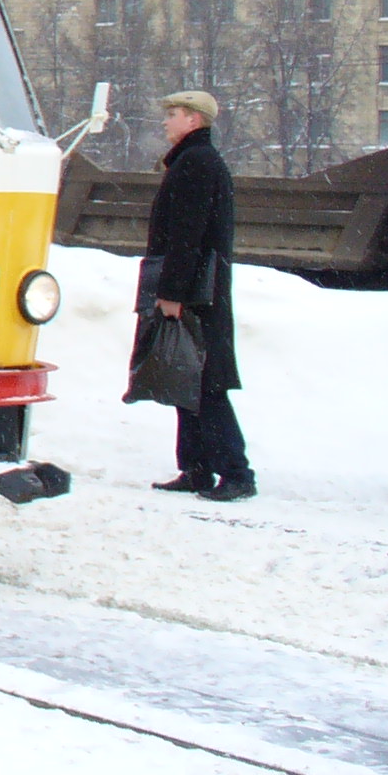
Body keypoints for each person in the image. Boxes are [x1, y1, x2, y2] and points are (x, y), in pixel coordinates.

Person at [144, 88, 251, 501]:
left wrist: (173, 292)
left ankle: (237, 474)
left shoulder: (197, 164)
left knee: (205, 383)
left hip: (196, 294)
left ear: (193, 119)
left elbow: (187, 235)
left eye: (173, 114)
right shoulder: (193, 161)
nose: (166, 122)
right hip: (199, 290)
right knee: (186, 379)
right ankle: (197, 468)